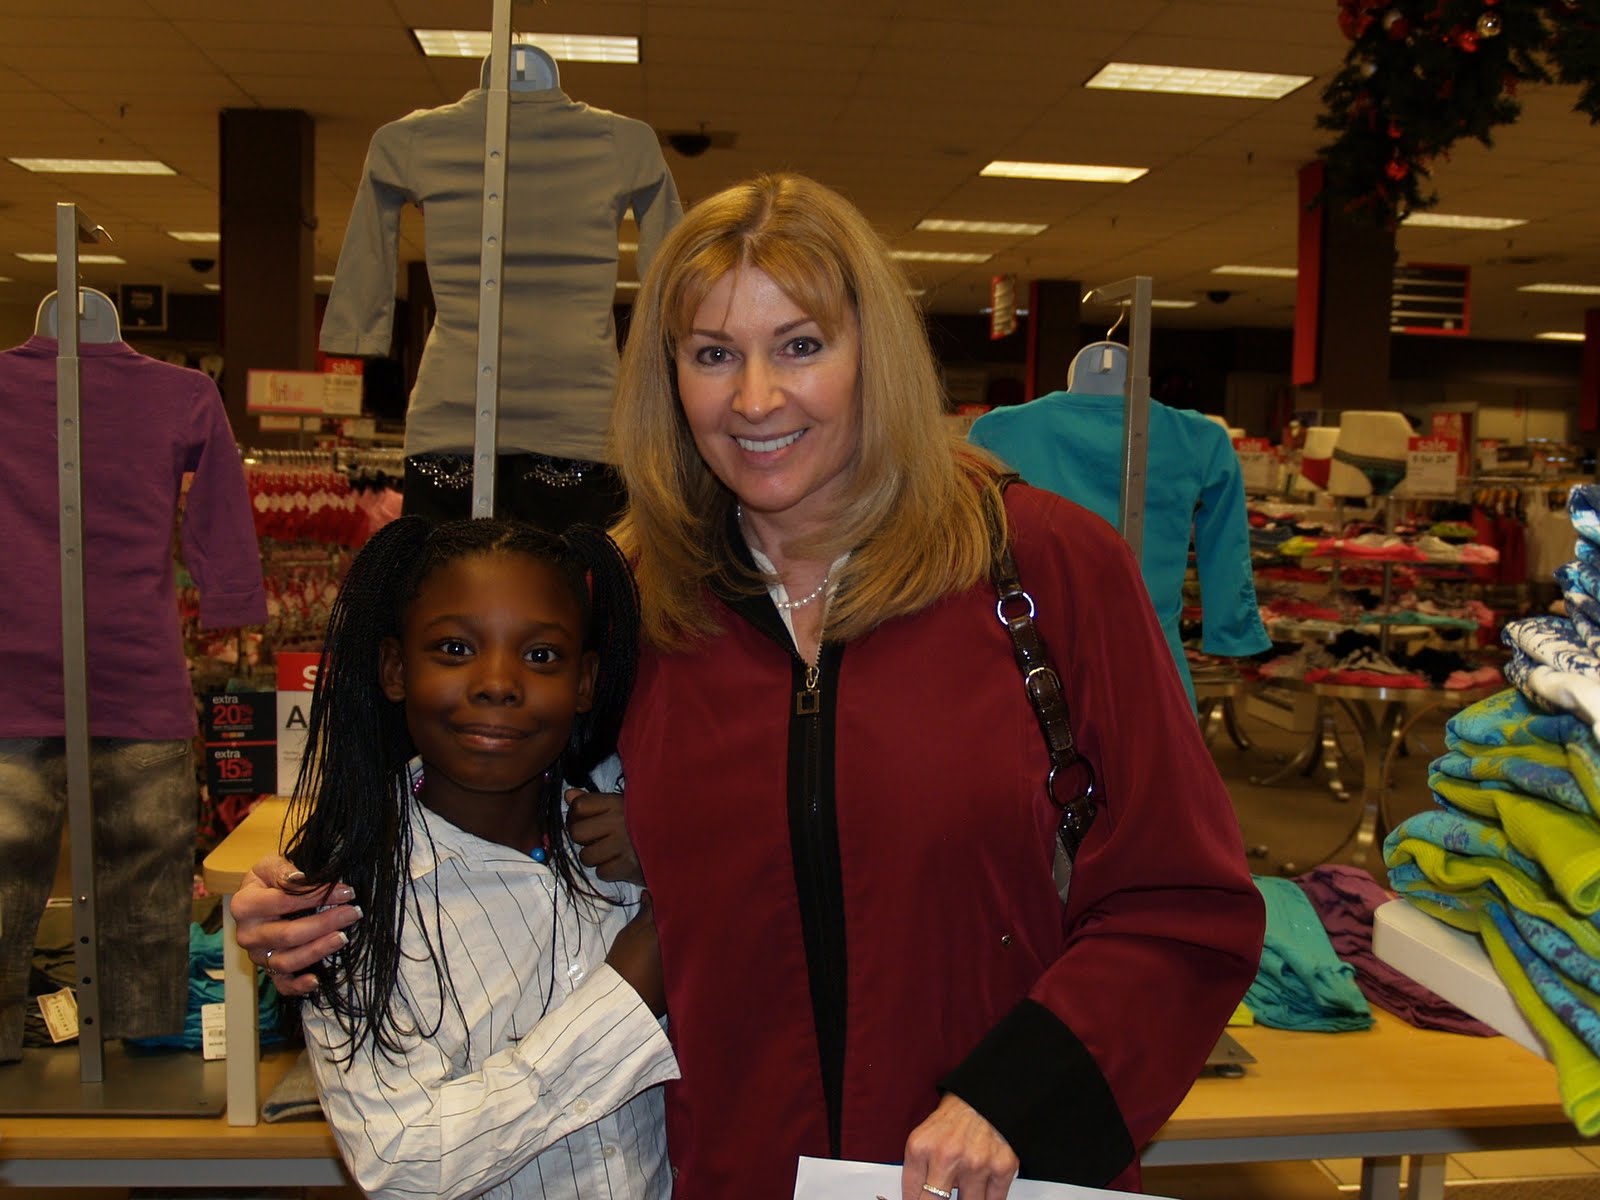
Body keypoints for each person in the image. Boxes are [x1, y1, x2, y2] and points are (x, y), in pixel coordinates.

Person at [234, 173, 1265, 1200]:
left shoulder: (1041, 568)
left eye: (801, 346)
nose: (757, 399)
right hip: (725, 1171)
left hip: (986, 1174)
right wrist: (316, 891)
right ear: (669, 376)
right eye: (714, 354)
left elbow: (1183, 904)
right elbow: (473, 788)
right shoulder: (627, 601)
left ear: (873, 356)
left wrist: (1018, 1099)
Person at [279, 515, 677, 1200]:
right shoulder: (350, 906)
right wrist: (628, 995)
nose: (498, 683)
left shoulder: (627, 830)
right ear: (396, 669)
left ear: (585, 680)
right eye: (455, 648)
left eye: (542, 656)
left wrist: (670, 855)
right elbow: (404, 1165)